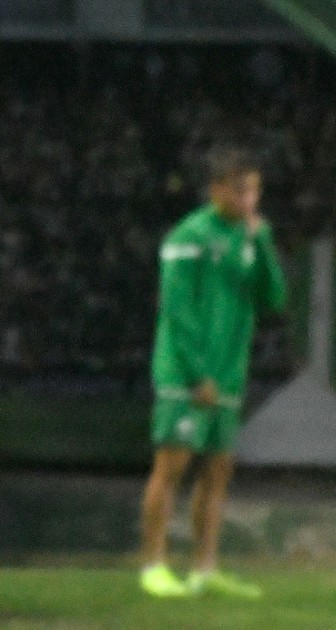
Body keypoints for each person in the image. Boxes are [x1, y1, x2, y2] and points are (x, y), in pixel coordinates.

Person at [139, 146, 286, 599]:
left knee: (218, 472)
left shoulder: (250, 236)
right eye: (240, 190)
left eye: (254, 191)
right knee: (172, 467)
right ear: (216, 189)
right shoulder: (190, 235)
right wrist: (196, 373)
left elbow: (275, 299)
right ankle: (154, 566)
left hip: (228, 371)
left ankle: (205, 568)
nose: (249, 200)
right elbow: (177, 309)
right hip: (185, 373)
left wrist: (263, 243)